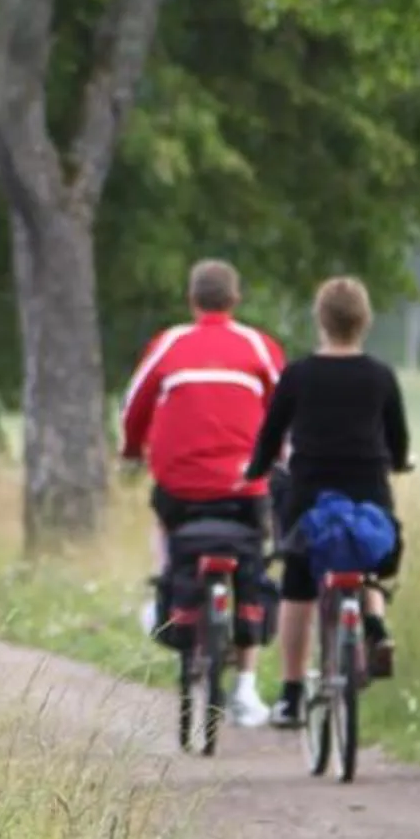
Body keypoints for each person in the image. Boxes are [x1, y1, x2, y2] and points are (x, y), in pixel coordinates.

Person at [119, 258, 287, 727]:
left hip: (181, 488)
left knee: (164, 518)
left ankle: (164, 591)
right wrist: (285, 457)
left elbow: (134, 404)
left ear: (192, 300)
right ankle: (248, 688)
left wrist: (132, 449)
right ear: (235, 300)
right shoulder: (259, 346)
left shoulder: (170, 343)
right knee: (255, 555)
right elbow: (286, 408)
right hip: (244, 486)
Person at [246, 275, 409, 728]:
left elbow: (270, 436)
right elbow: (397, 442)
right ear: (365, 321)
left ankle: (293, 692)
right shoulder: (380, 376)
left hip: (311, 499)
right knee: (369, 561)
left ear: (320, 319)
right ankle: (373, 627)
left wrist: (255, 469)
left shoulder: (298, 375)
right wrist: (395, 461)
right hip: (368, 493)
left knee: (298, 584)